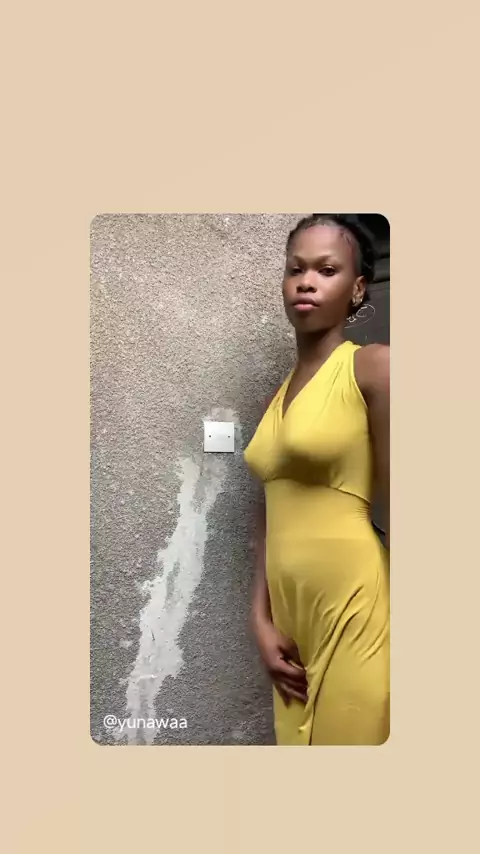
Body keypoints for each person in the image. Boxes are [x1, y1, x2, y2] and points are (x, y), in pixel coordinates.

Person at [243, 214, 390, 745]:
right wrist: (259, 619)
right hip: (289, 620)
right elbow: (269, 514)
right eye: (296, 269)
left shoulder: (374, 368)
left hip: (354, 601)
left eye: (327, 270)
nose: (306, 282)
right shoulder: (274, 398)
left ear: (357, 289)